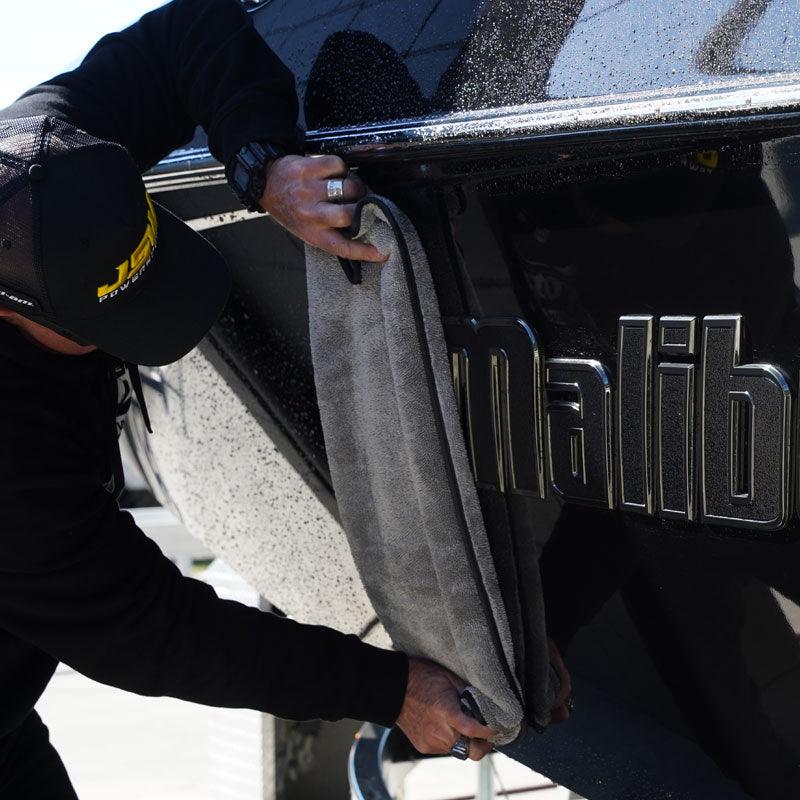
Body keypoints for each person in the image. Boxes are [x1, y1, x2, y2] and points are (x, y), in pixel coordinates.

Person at [0, 1, 504, 797]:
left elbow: (189, 30)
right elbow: (150, 630)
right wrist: (391, 689)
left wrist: (261, 156)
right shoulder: (13, 467)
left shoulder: (41, 159)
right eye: (100, 325)